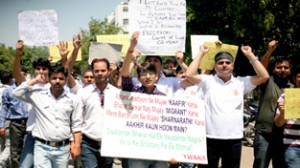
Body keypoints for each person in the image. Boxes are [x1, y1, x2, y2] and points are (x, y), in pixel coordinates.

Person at [185, 45, 269, 168]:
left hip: (234, 138)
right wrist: (201, 53)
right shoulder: (207, 81)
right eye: (220, 63)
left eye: (228, 62)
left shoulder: (241, 82)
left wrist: (250, 55)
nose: (224, 65)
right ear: (215, 66)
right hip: (209, 138)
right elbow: (189, 74)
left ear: (232, 65)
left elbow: (264, 76)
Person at [13, 65, 82, 168]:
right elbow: (16, 93)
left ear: (66, 79)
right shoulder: (37, 95)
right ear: (49, 79)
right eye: (54, 78)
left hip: (63, 149)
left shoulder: (73, 99)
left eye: (61, 78)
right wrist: (35, 80)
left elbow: (77, 124)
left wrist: (77, 145)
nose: (57, 81)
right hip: (41, 147)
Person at [253, 40, 293, 168]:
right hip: (264, 135)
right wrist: (269, 51)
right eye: (279, 67)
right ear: (273, 69)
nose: (282, 70)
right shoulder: (267, 82)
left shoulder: (293, 89)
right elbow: (261, 69)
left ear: (290, 70)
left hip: (284, 138)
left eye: (286, 67)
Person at [13, 40, 52, 168]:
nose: (41, 71)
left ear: (49, 70)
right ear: (34, 70)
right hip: (32, 133)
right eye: (38, 68)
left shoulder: (55, 86)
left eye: (44, 68)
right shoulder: (28, 84)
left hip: (49, 135)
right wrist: (18, 54)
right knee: (25, 165)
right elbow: (16, 74)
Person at [77, 58, 118, 168]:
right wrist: (76, 143)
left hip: (108, 144)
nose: (100, 73)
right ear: (93, 72)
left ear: (108, 71)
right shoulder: (83, 93)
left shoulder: (117, 93)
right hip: (88, 144)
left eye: (103, 70)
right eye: (97, 71)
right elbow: (77, 119)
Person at [0, 69, 29, 168]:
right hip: (15, 123)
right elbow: (4, 108)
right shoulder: (8, 91)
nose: (21, 77)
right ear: (14, 76)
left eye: (24, 75)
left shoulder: (29, 89)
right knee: (15, 151)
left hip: (29, 123)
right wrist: (1, 125)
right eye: (19, 74)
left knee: (28, 149)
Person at [274, 64, 300, 167]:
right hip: (293, 146)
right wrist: (283, 114)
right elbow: (278, 123)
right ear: (294, 78)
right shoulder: (285, 97)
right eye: (299, 76)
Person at [0, 71, 14, 167]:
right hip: (7, 121)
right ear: (10, 80)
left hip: (2, 121)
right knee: (9, 145)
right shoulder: (11, 91)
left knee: (2, 145)